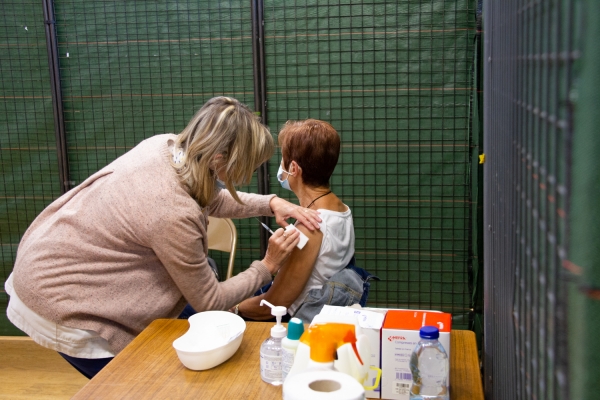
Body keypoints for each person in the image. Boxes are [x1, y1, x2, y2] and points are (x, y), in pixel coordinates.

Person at [4, 97, 321, 379]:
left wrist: (270, 202)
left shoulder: (167, 146)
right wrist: (267, 265)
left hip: (57, 254)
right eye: (248, 165)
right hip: (58, 296)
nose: (249, 175)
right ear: (221, 158)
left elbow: (206, 196)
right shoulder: (170, 210)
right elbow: (209, 301)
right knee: (138, 384)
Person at [235, 119, 370, 323]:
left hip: (296, 322)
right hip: (323, 314)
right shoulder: (342, 209)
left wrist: (232, 307)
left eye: (283, 159)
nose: (281, 166)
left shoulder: (309, 228)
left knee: (193, 309)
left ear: (294, 168)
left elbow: (272, 307)